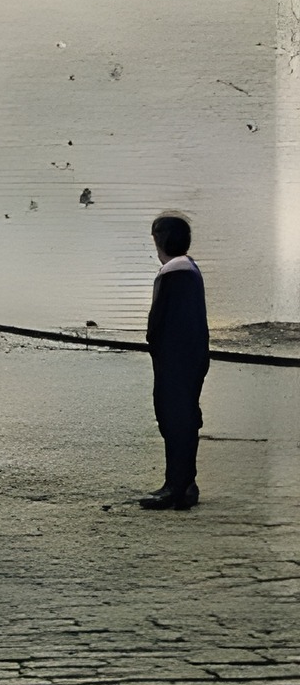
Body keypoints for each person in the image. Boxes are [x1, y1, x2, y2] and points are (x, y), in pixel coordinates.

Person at [142, 214, 209, 511]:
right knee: (183, 417)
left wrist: (155, 345)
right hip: (189, 356)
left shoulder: (174, 272)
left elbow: (161, 322)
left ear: (162, 240)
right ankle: (185, 483)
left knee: (175, 418)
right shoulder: (188, 267)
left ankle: (176, 486)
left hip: (176, 358)